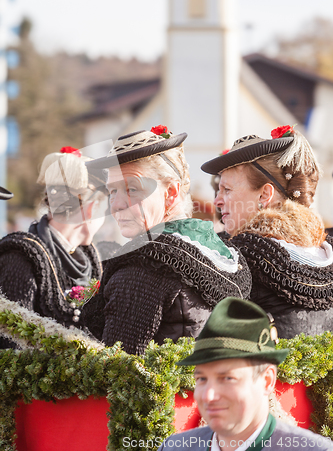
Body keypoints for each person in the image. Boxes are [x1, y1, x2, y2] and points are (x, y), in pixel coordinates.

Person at [83, 126, 252, 355]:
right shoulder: (221, 250)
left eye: (132, 189)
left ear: (171, 192)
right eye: (113, 191)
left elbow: (118, 375)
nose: (117, 205)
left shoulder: (142, 267)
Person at [201, 125, 333, 338]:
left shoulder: (238, 255)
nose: (217, 201)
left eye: (227, 190)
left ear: (264, 195)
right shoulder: (326, 250)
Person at [158, 297, 333, 451]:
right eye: (201, 378)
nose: (209, 395)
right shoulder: (174, 447)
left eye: (227, 378)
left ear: (267, 380)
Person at [0, 146, 108, 331]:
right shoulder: (20, 257)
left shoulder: (92, 261)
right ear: (93, 208)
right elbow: (13, 343)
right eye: (105, 210)